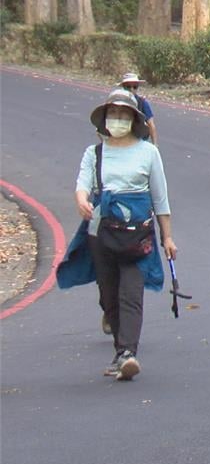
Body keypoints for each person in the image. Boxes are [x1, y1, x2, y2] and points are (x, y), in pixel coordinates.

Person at [56, 88, 178, 381]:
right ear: (105, 119)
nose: (118, 119)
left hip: (138, 234)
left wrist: (167, 238)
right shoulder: (94, 153)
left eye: (124, 114)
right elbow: (82, 185)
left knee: (131, 293)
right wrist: (82, 200)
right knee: (109, 296)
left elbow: (160, 199)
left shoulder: (148, 153)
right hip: (101, 233)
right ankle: (120, 349)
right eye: (113, 114)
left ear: (133, 120)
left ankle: (127, 352)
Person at [119, 72, 157, 146]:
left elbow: (151, 124)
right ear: (123, 87)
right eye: (128, 87)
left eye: (135, 87)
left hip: (139, 141)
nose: (131, 89)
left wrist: (155, 145)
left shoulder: (142, 103)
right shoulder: (117, 102)